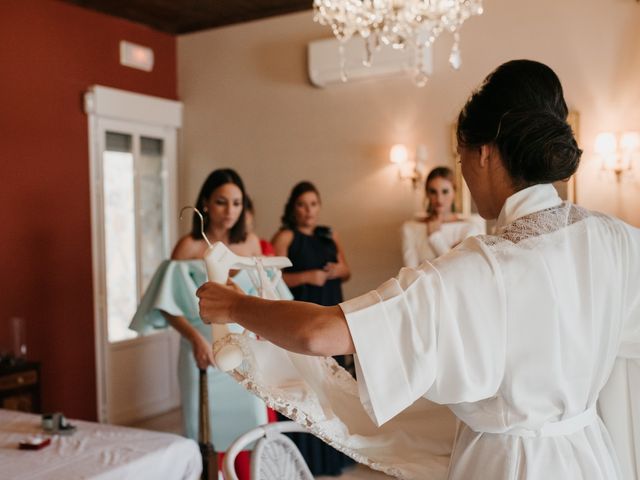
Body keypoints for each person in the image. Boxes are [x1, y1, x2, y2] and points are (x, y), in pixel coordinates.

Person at [196, 60, 640, 480]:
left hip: (508, 464)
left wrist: (234, 303)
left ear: (485, 153)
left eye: (461, 154)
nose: (463, 169)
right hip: (589, 453)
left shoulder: (476, 268)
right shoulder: (616, 237)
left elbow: (320, 333)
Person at [130, 168, 284, 480]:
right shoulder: (188, 247)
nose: (230, 210)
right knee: (203, 436)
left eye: (237, 203)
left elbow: (270, 296)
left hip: (244, 357)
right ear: (205, 204)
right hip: (200, 352)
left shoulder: (252, 244)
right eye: (222, 202)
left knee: (251, 434)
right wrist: (195, 340)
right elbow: (165, 303)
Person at [270, 181, 354, 476]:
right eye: (303, 205)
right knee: (303, 388)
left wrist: (334, 272)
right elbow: (270, 278)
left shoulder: (330, 234)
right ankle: (302, 459)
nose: (309, 211)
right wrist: (308, 276)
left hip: (331, 314)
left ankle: (330, 458)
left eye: (313, 204)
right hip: (302, 319)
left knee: (332, 390)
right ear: (293, 208)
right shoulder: (285, 236)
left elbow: (347, 270)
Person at [401, 166, 484, 267]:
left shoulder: (469, 228)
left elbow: (461, 270)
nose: (439, 199)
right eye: (433, 192)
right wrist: (451, 253)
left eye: (445, 191)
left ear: (454, 192)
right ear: (427, 193)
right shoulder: (410, 228)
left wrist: (435, 237)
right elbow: (410, 274)